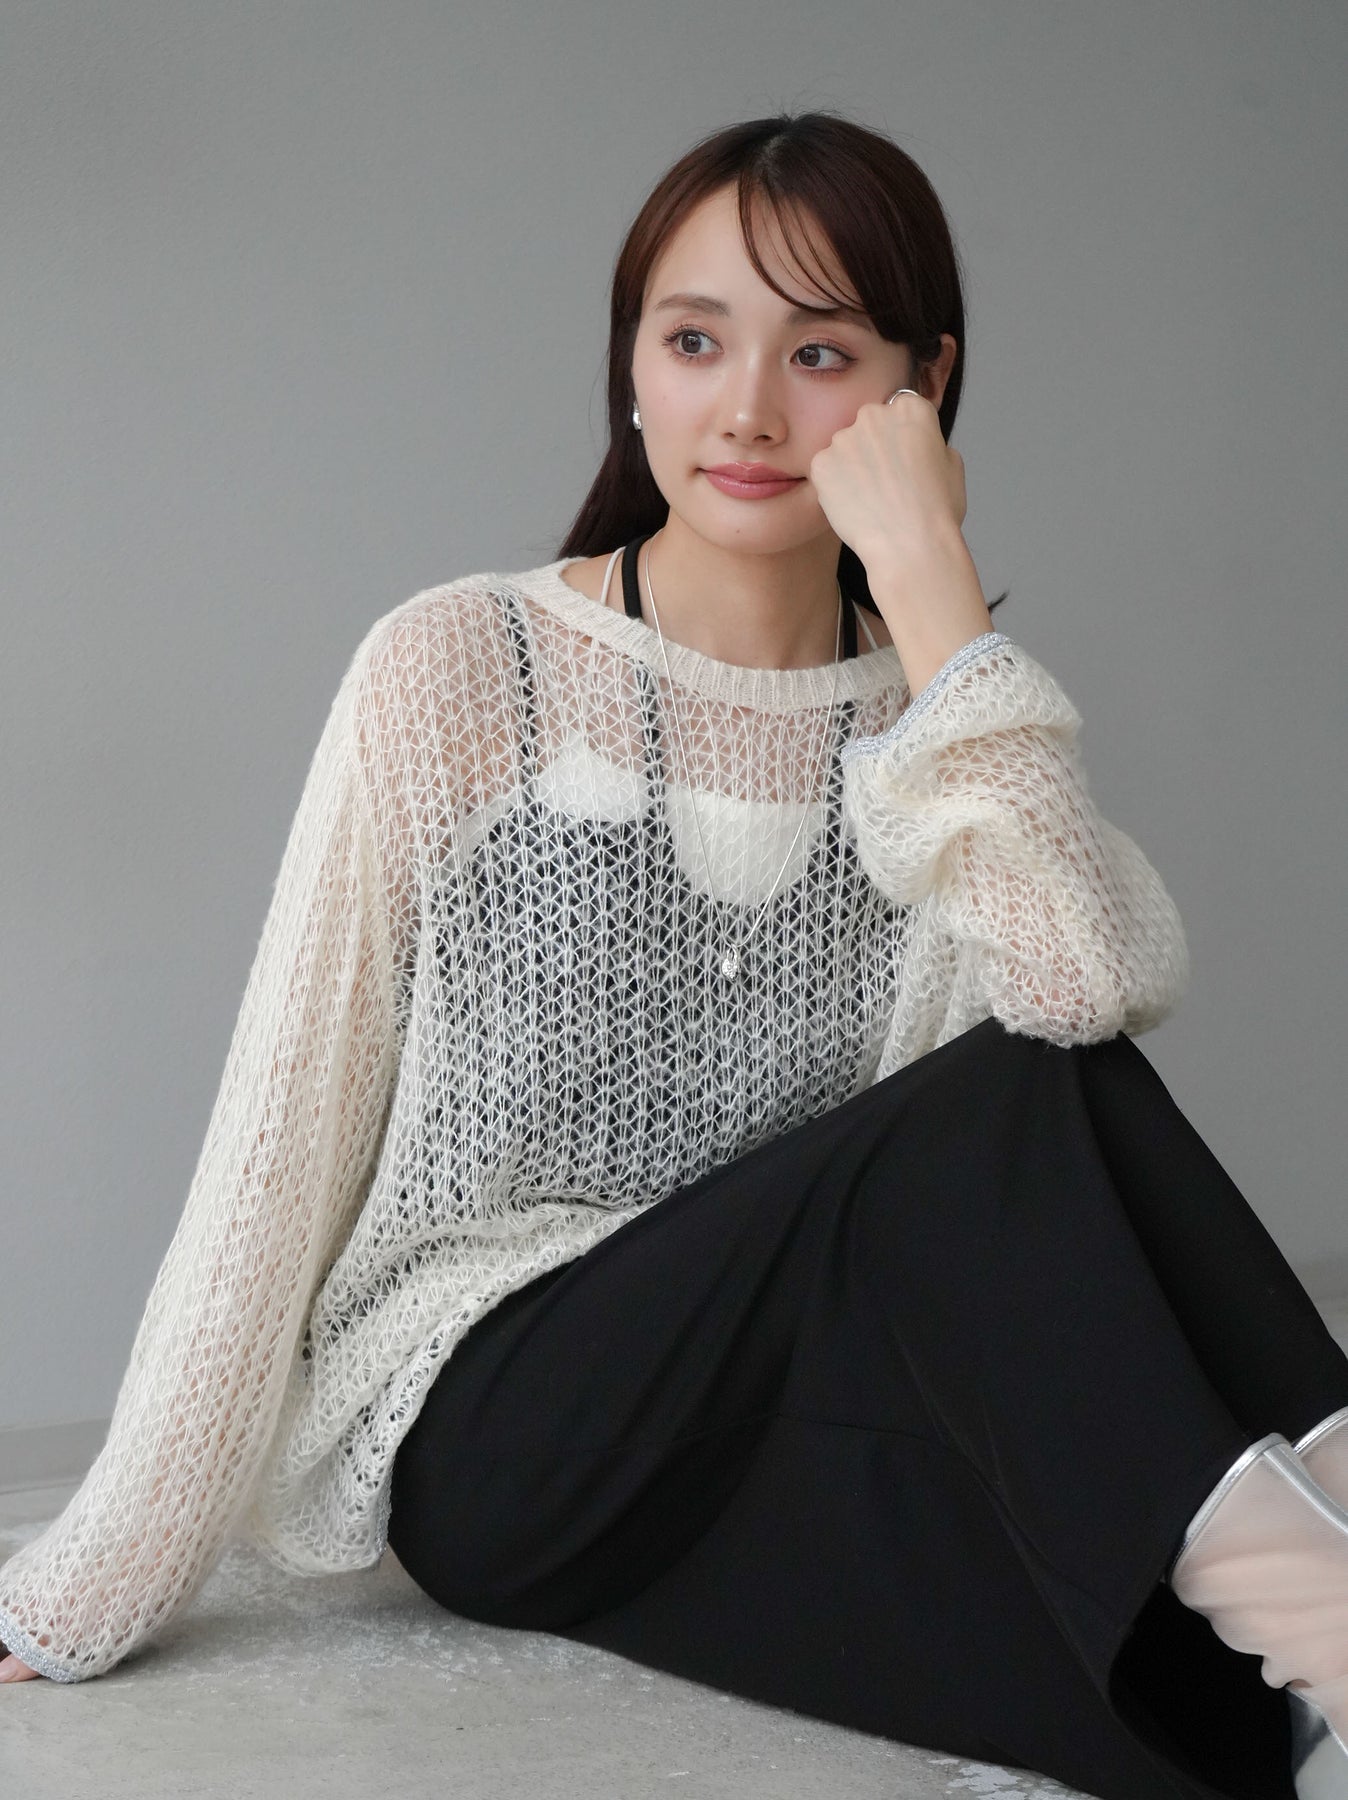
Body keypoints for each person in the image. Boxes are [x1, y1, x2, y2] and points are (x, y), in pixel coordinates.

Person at [3, 106, 1348, 1800]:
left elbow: (1081, 980)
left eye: (823, 353)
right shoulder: (465, 669)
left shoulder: (943, 721)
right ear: (631, 366)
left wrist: (929, 591)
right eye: (695, 341)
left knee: (1161, 1696)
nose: (749, 410)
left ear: (923, 388)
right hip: (499, 1423)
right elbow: (278, 1153)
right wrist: (91, 1584)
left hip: (765, 1422)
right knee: (1001, 1106)